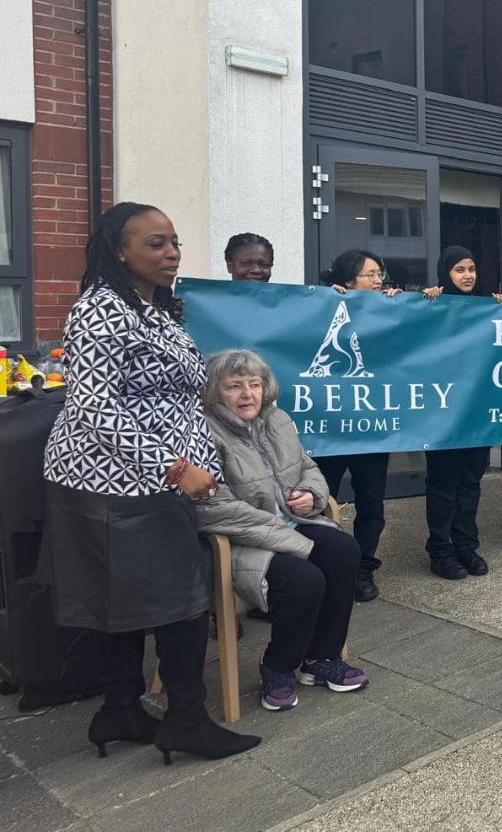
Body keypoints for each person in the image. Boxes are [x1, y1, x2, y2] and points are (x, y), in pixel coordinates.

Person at [42, 202, 260, 764]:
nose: (172, 254)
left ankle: (120, 709)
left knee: (130, 602)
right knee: (180, 602)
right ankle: (185, 718)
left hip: (151, 483)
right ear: (120, 250)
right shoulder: (100, 310)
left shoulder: (152, 308)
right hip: (115, 483)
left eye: (175, 243)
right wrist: (176, 466)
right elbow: (94, 404)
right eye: (156, 244)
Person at [199, 350, 368, 712]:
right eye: (234, 387)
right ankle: (277, 666)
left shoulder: (278, 420)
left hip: (295, 525)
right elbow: (214, 509)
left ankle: (320, 659)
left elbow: (309, 467)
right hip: (242, 541)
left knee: (344, 552)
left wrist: (311, 494)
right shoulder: (204, 432)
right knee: (305, 579)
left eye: (254, 385)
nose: (247, 395)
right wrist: (292, 539)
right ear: (215, 392)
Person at [422, 246, 502, 579]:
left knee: (470, 483)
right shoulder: (430, 306)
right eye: (459, 270)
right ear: (445, 274)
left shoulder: (488, 308)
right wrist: (420, 301)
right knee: (443, 485)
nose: (468, 276)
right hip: (443, 414)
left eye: (472, 268)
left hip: (477, 413)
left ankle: (466, 546)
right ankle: (441, 550)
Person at [313, 249, 400, 602]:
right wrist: (324, 300)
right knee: (321, 500)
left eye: (381, 274)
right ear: (349, 280)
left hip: (372, 428)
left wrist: (404, 302)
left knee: (371, 504)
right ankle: (322, 565)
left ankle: (362, 568)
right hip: (331, 428)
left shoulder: (388, 307)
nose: (379, 281)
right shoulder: (324, 305)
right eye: (371, 275)